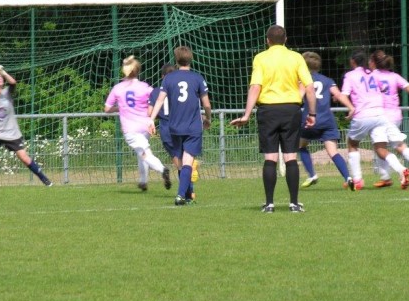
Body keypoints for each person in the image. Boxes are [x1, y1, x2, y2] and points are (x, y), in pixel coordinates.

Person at [230, 25, 317, 213]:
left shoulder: (261, 58)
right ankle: (294, 204)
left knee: (270, 157)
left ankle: (269, 204)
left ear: (267, 40)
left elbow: (255, 87)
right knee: (290, 156)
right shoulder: (296, 57)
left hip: (268, 110)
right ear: (286, 39)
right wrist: (312, 114)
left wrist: (246, 114)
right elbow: (309, 87)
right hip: (291, 109)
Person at [149, 46, 211, 206]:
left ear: (176, 60)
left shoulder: (168, 79)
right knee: (188, 161)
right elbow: (206, 104)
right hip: (193, 126)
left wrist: (151, 119)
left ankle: (187, 196)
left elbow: (160, 100)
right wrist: (208, 118)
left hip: (174, 127)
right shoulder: (197, 78)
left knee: (181, 163)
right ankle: (180, 195)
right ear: (191, 59)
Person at [0, 65, 53, 187]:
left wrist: (3, 72)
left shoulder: (7, 92)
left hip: (12, 133)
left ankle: (46, 180)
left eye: (0, 78)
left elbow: (13, 83)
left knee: (24, 158)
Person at [340, 50, 409, 191]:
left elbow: (343, 95)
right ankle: (401, 169)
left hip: (363, 114)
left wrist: (351, 108)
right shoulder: (372, 74)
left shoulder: (350, 75)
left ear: (352, 61)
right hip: (379, 114)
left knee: (352, 144)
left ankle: (358, 180)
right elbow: (383, 89)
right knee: (380, 148)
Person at [105, 55, 171, 191]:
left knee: (145, 153)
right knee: (141, 152)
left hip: (130, 128)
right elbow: (157, 97)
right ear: (137, 71)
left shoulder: (118, 88)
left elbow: (107, 108)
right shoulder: (145, 87)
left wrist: (119, 108)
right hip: (145, 125)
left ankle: (162, 169)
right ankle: (143, 181)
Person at [370, 50, 409, 187]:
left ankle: (399, 171)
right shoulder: (395, 76)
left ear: (374, 62)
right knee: (398, 146)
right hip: (395, 116)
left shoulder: (373, 76)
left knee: (380, 148)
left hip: (381, 116)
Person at [297, 52, 354, 189]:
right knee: (333, 151)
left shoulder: (304, 81)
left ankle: (312, 175)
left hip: (310, 119)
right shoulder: (328, 80)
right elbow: (338, 94)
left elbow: (299, 96)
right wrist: (351, 107)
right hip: (328, 120)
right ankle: (348, 177)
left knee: (300, 146)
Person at [148, 63, 200, 198]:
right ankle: (189, 191)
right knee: (185, 158)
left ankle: (188, 192)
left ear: (162, 76)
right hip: (181, 124)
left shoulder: (155, 92)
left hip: (166, 128)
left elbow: (149, 111)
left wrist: (154, 118)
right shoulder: (179, 87)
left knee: (179, 163)